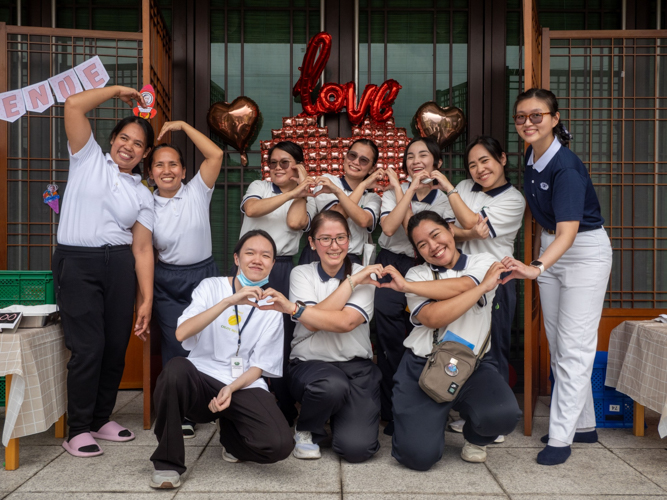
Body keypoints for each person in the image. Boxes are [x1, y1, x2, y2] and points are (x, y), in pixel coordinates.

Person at [501, 88, 612, 466]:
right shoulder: (531, 157)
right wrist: (541, 263)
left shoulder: (564, 166)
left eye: (536, 116)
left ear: (555, 118)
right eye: (521, 117)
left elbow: (568, 231)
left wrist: (536, 267)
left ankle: (562, 438)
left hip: (582, 253)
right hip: (552, 252)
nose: (528, 123)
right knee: (559, 344)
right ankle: (583, 425)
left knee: (576, 348)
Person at [52, 86, 155, 457]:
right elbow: (74, 105)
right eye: (124, 138)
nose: (129, 146)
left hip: (120, 266)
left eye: (138, 144)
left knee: (114, 347)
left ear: (145, 153)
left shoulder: (142, 192)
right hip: (78, 262)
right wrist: (117, 91)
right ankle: (77, 429)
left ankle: (100, 419)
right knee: (88, 347)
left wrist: (145, 299)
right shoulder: (87, 158)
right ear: (112, 140)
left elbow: (142, 249)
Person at [149, 230, 293, 489]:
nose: (257, 260)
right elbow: (182, 333)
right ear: (237, 258)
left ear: (272, 264)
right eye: (250, 253)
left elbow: (259, 366)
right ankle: (167, 463)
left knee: (280, 445)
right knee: (174, 370)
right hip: (201, 379)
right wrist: (229, 301)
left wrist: (231, 388)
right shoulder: (211, 286)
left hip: (241, 384)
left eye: (266, 255)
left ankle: (230, 436)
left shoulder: (273, 307)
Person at [384, 211, 521, 471]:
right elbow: (433, 317)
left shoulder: (483, 261)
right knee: (417, 457)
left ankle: (476, 438)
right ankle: (428, 424)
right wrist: (482, 288)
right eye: (422, 244)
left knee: (503, 415)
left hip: (471, 364)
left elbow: (463, 285)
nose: (433, 247)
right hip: (422, 365)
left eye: (436, 235)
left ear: (450, 230)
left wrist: (408, 288)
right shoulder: (415, 275)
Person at [259, 210, 384, 463]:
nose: (334, 246)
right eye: (325, 239)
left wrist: (303, 311)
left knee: (357, 449)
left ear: (350, 240)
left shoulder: (365, 273)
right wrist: (351, 283)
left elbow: (346, 322)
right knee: (330, 385)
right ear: (313, 243)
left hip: (356, 367)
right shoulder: (302, 273)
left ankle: (340, 414)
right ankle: (307, 429)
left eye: (341, 238)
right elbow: (313, 325)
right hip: (311, 365)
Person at [375, 136, 460, 432]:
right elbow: (388, 227)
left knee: (424, 336)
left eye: (423, 155)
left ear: (436, 162)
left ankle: (425, 406)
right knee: (388, 337)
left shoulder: (446, 197)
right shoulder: (392, 193)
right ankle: (392, 410)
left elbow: (420, 235)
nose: (415, 161)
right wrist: (408, 189)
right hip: (391, 261)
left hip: (427, 265)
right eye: (410, 156)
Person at [445, 136, 526, 437]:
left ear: (502, 159)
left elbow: (473, 228)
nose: (479, 169)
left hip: (497, 281)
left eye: (485, 161)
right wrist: (467, 230)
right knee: (463, 345)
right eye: (472, 165)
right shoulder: (465, 188)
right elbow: (448, 230)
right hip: (463, 280)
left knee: (494, 349)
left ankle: (496, 422)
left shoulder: (513, 199)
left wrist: (462, 223)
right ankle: (470, 412)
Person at [148, 121, 223, 438]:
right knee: (175, 346)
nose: (166, 170)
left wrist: (181, 126)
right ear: (151, 171)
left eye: (173, 164)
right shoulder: (145, 203)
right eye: (159, 165)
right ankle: (181, 413)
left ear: (183, 169)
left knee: (209, 342)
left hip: (203, 276)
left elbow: (216, 154)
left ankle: (211, 405)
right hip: (167, 281)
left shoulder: (197, 191)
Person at [239, 140, 315, 425]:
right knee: (245, 331)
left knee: (280, 336)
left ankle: (282, 404)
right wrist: (295, 190)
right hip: (250, 268)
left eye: (286, 162)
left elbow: (296, 223)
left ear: (298, 165)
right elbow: (253, 211)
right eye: (273, 163)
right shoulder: (259, 186)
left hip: (282, 268)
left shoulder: (308, 197)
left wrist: (301, 190)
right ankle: (244, 398)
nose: (278, 168)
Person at [298, 138, 384, 264]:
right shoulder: (328, 180)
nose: (355, 162)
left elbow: (363, 220)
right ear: (345, 157)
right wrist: (363, 185)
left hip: (350, 259)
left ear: (372, 169)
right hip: (318, 256)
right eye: (352, 155)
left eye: (364, 160)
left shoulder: (373, 198)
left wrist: (361, 186)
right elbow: (334, 217)